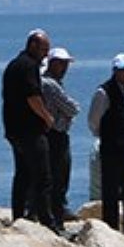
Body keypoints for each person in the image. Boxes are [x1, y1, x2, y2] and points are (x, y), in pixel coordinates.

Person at [2, 30, 56, 227]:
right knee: (42, 176)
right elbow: (32, 97)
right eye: (44, 49)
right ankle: (46, 221)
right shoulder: (28, 66)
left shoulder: (14, 64)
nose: (45, 55)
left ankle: (19, 216)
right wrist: (47, 117)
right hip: (29, 130)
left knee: (23, 174)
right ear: (33, 46)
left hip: (14, 129)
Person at [88, 53, 124, 234]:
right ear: (115, 71)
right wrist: (107, 136)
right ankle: (110, 227)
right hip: (112, 148)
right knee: (110, 189)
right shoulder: (104, 92)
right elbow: (94, 120)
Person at [41, 47, 79, 231]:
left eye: (66, 64)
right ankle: (56, 220)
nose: (64, 67)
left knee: (58, 178)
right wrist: (68, 111)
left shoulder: (54, 83)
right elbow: (72, 108)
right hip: (55, 135)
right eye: (61, 63)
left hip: (56, 134)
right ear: (52, 63)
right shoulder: (50, 84)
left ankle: (55, 217)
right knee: (58, 179)